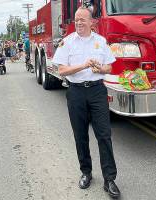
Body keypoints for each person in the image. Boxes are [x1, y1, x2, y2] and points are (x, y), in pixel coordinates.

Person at [52, 7, 120, 199]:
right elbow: (62, 70)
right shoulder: (67, 42)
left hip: (97, 91)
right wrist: (83, 65)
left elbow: (109, 66)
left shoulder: (101, 41)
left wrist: (100, 69)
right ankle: (86, 172)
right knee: (80, 135)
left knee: (104, 135)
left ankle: (110, 179)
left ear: (92, 22)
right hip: (76, 93)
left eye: (83, 20)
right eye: (76, 20)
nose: (79, 23)